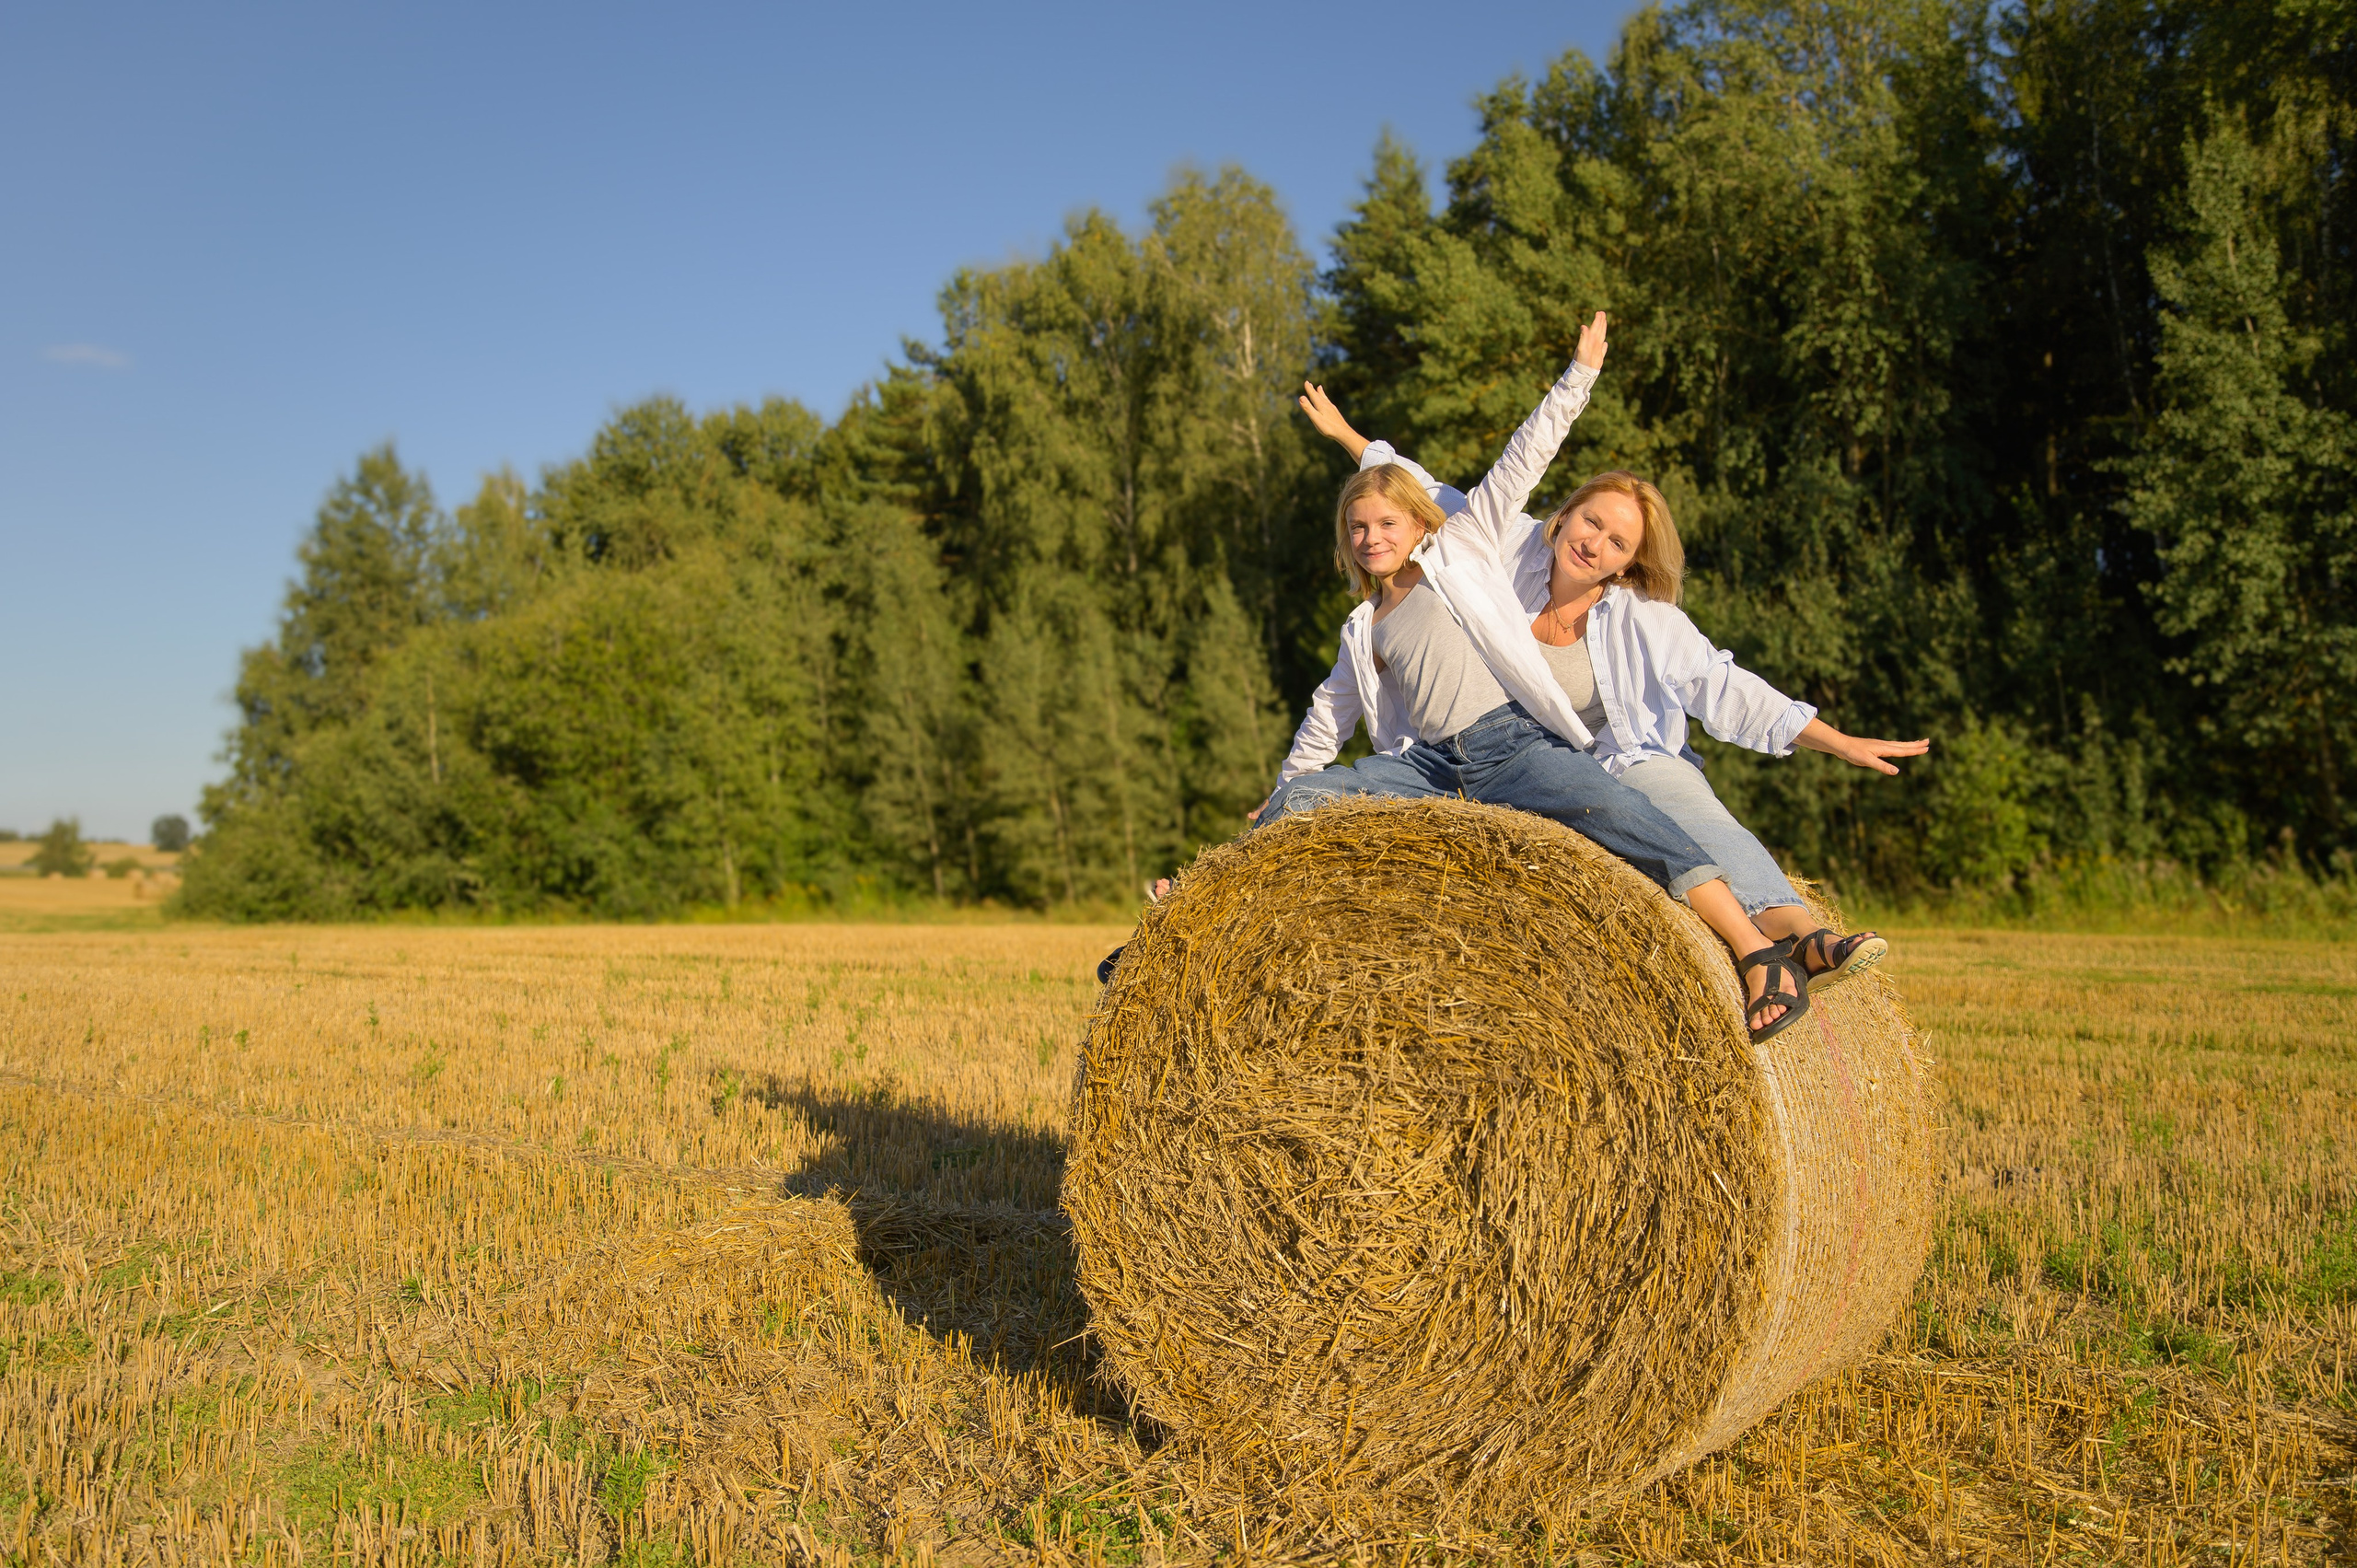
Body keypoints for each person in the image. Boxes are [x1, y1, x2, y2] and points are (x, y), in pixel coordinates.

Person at [1248, 314, 1812, 1044]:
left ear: (1417, 523)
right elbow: (1327, 717)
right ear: (1345, 539)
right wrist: (1288, 786)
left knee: (1626, 817)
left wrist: (1578, 376)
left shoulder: (1465, 548)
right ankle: (1190, 917)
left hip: (1509, 745)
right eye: (1358, 530)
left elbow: (1523, 457)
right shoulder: (1365, 625)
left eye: (1387, 524)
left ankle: (1757, 950)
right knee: (1305, 796)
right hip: (1429, 766)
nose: (1373, 538)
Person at [1283, 358, 1929, 993]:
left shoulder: (1643, 616)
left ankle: (1799, 932)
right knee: (1329, 800)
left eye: (1617, 542)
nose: (1595, 542)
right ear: (1563, 514)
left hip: (1613, 755)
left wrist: (1838, 741)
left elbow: (1723, 685)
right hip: (1472, 759)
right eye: (1591, 520)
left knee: (1679, 809)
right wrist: (1349, 438)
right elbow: (1415, 495)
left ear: (1625, 563)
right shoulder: (1501, 548)